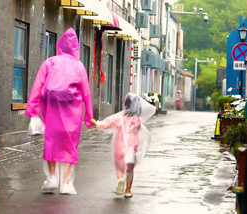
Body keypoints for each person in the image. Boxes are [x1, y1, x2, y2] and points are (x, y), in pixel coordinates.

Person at [25, 28, 93, 195]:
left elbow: (37, 86)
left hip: (52, 109)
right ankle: (65, 183)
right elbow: (86, 93)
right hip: (72, 111)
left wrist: (33, 110)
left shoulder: (50, 62)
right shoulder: (78, 66)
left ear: (60, 46)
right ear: (76, 48)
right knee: (70, 144)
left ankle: (52, 178)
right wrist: (89, 116)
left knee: (52, 141)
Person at [91, 92, 155, 198]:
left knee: (119, 167)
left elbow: (106, 126)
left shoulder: (119, 118)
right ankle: (128, 190)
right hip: (131, 147)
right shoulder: (137, 120)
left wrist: (96, 123)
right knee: (130, 169)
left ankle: (120, 179)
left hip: (119, 146)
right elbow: (138, 129)